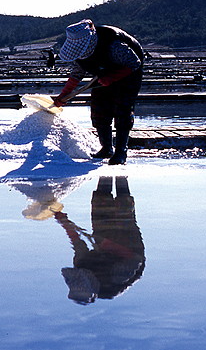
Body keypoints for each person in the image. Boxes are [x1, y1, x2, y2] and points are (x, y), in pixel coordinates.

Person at [53, 19, 144, 165]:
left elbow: (134, 63)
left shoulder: (113, 45)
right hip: (102, 73)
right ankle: (106, 148)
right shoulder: (80, 54)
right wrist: (64, 95)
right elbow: (76, 74)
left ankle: (121, 152)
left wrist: (112, 77)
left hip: (128, 73)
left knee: (123, 111)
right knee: (99, 109)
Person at [56, 176, 145, 304]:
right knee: (123, 210)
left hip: (103, 246)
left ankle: (106, 168)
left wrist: (64, 221)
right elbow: (135, 259)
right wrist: (108, 245)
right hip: (129, 247)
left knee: (101, 204)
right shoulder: (114, 283)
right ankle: (120, 170)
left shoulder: (80, 269)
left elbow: (77, 243)